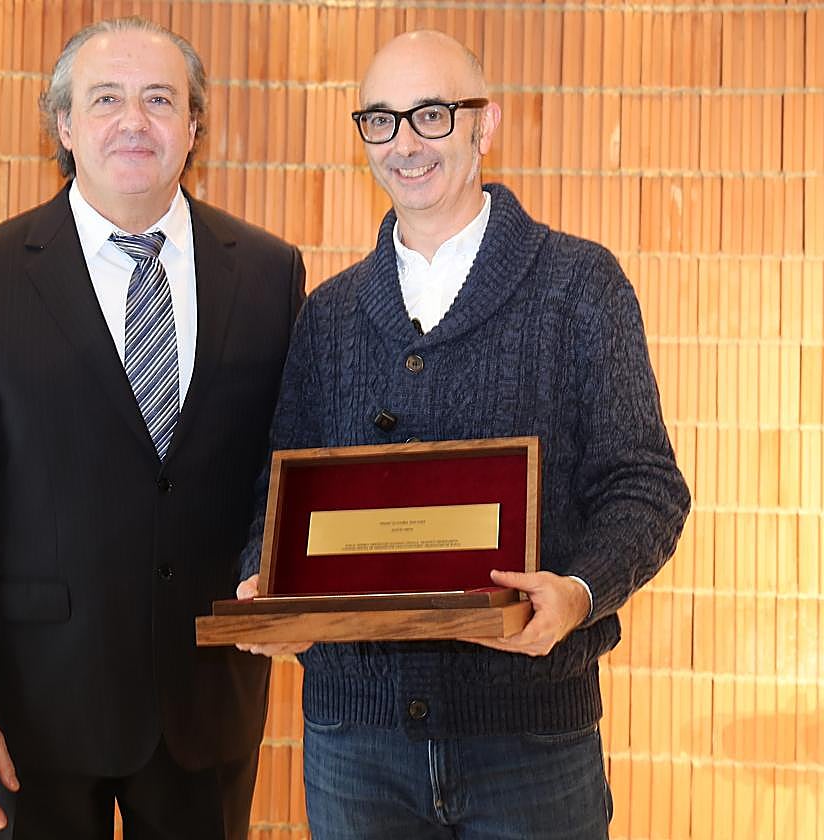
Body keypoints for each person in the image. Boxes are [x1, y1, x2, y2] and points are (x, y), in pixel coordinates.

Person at [236, 30, 690, 839]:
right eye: (381, 120)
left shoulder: (581, 286)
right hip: (355, 744)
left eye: (432, 115)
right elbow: (279, 494)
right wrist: (264, 586)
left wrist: (580, 593)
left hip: (531, 737)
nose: (405, 143)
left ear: (487, 125)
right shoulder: (330, 314)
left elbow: (645, 485)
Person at [0, 16, 305, 839]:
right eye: (106, 98)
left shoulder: (269, 272)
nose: (133, 121)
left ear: (194, 127)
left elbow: (283, 464)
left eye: (160, 100)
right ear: (65, 126)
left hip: (207, 703)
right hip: (32, 710)